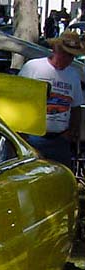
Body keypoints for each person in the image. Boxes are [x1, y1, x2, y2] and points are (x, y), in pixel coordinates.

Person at [18, 30, 85, 168]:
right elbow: (17, 99)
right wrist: (20, 132)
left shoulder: (73, 75)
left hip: (60, 139)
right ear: (56, 49)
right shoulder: (33, 67)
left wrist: (73, 131)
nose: (69, 59)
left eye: (72, 56)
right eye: (66, 54)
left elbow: (76, 107)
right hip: (32, 137)